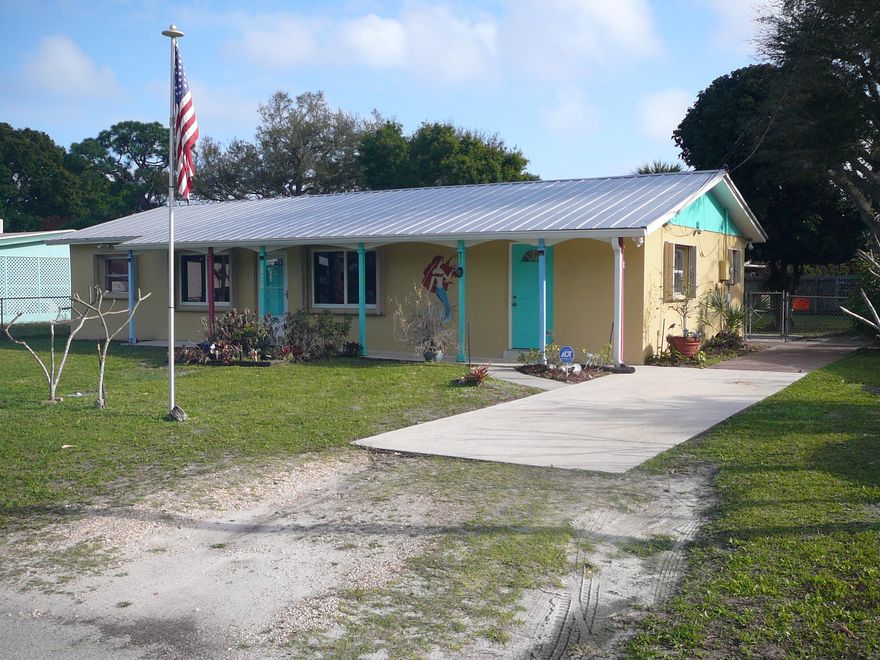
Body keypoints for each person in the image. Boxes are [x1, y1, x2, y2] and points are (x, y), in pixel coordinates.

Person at [421, 255, 463, 322]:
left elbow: (447, 279)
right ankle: (441, 318)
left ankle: (442, 318)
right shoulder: (435, 271)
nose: (442, 262)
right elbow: (432, 281)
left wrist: (452, 271)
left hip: (441, 289)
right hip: (439, 289)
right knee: (444, 303)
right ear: (439, 262)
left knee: (445, 303)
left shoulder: (441, 270)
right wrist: (428, 291)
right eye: (442, 261)